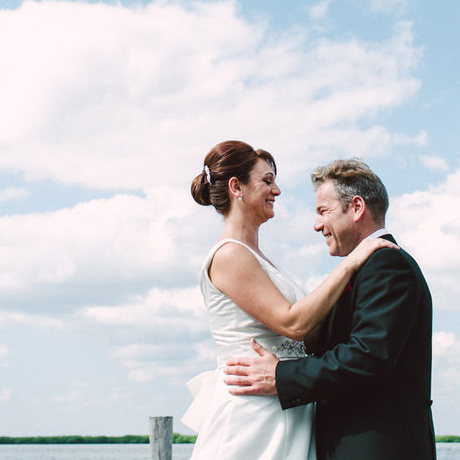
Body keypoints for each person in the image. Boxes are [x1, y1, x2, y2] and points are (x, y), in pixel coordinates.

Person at [183, 142, 395, 460]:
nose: (277, 190)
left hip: (285, 405)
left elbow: (311, 332)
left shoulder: (258, 258)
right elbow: (293, 323)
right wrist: (351, 263)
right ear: (236, 187)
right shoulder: (229, 255)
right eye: (267, 180)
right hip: (254, 413)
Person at [223, 159, 435, 460]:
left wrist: (281, 376)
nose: (317, 225)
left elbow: (368, 356)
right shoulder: (365, 268)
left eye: (323, 212)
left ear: (357, 207)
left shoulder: (388, 264)